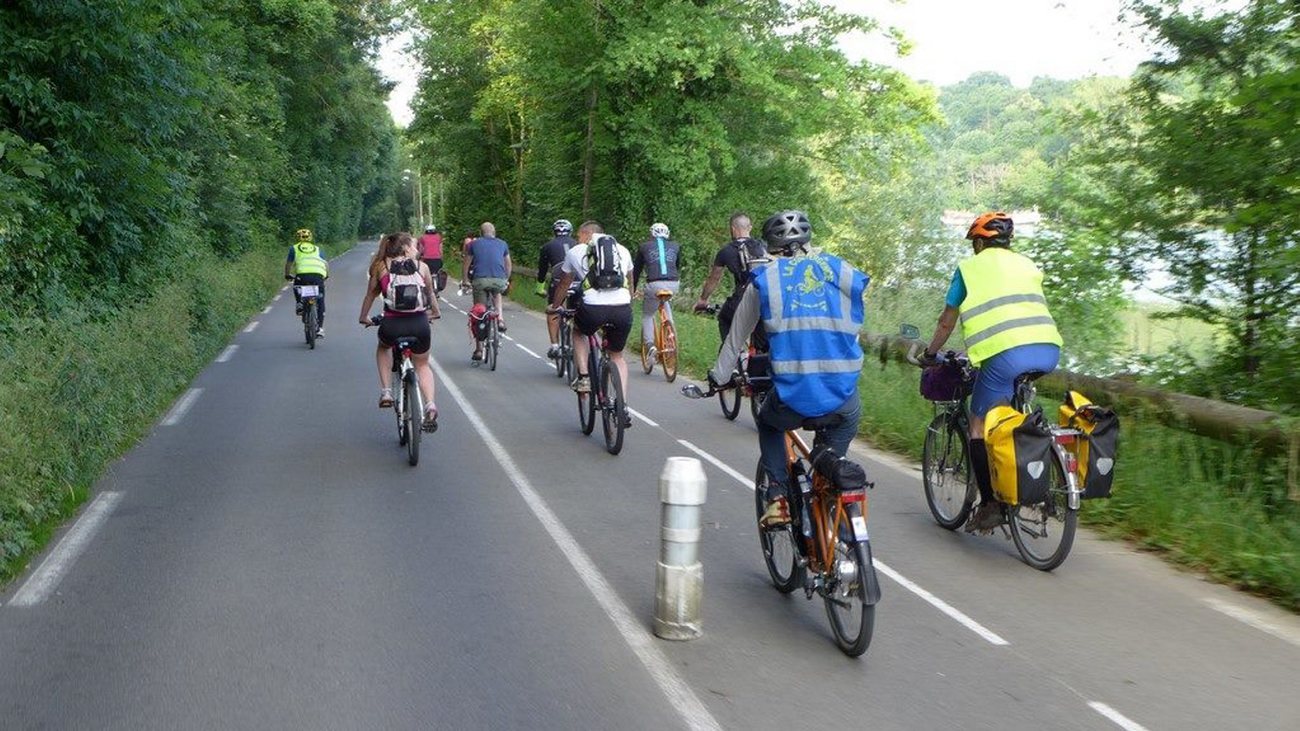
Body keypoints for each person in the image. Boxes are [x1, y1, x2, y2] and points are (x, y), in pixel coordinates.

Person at [708, 211, 869, 527]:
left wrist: (718, 378)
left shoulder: (766, 280)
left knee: (768, 423)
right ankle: (835, 518)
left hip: (793, 394)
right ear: (809, 243)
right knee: (833, 457)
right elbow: (854, 324)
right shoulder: (841, 271)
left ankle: (778, 497)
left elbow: (736, 337)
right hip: (843, 395)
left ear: (768, 248)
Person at [921, 211, 1063, 532]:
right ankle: (1031, 481)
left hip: (1006, 356)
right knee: (1011, 416)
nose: (974, 247)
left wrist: (930, 353)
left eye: (975, 242)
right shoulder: (1027, 264)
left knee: (977, 425)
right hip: (1048, 349)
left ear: (981, 242)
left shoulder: (968, 270)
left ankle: (990, 505)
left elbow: (947, 321)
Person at [548, 221, 634, 426]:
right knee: (617, 356)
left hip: (593, 308)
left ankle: (584, 376)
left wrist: (555, 305)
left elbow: (564, 283)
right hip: (622, 308)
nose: (577, 239)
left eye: (579, 236)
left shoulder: (577, 252)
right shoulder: (622, 250)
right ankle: (621, 405)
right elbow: (630, 278)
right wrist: (629, 298)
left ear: (587, 234)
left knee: (578, 331)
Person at [358, 232, 439, 430]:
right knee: (422, 364)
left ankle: (386, 391)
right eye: (413, 245)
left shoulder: (381, 266)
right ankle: (429, 404)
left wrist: (364, 317)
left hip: (392, 324)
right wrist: (434, 313)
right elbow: (429, 294)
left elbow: (370, 294)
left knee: (383, 347)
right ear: (404, 248)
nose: (417, 249)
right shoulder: (422, 267)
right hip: (419, 324)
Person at [694, 213, 769, 347]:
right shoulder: (764, 247)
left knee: (724, 318)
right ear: (750, 227)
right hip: (766, 299)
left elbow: (714, 279)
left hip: (741, 299)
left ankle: (732, 359)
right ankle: (759, 357)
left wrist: (703, 299)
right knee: (762, 342)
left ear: (733, 229)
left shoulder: (726, 251)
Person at [462, 222, 513, 361]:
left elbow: (466, 262)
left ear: (480, 233)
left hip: (480, 280)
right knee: (497, 293)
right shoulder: (503, 244)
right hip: (499, 280)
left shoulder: (473, 244)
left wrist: (465, 280)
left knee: (479, 312)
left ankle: (479, 350)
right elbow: (508, 263)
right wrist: (506, 279)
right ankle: (500, 319)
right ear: (494, 232)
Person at [631, 222, 683, 353]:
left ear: (651, 234)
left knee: (648, 314)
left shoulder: (644, 246)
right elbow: (677, 266)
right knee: (665, 301)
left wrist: (632, 290)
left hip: (654, 284)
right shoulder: (676, 246)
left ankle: (649, 346)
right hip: (673, 283)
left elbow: (636, 271)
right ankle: (671, 334)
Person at [536, 219, 577, 358]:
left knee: (553, 309)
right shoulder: (578, 244)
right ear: (570, 231)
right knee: (577, 309)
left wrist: (539, 288)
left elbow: (542, 271)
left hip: (559, 280)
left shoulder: (547, 246)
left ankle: (554, 345)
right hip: (578, 280)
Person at [285, 228, 329, 338]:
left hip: (302, 276)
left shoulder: (294, 248)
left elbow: (289, 264)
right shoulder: (317, 249)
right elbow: (325, 264)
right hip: (318, 276)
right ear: (311, 238)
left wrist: (287, 274)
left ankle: (300, 303)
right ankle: (320, 329)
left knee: (297, 286)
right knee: (320, 300)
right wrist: (326, 275)